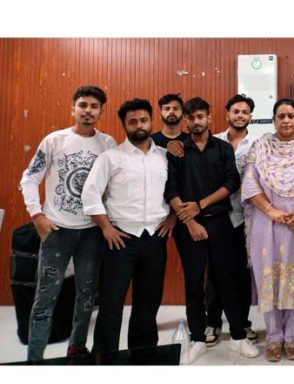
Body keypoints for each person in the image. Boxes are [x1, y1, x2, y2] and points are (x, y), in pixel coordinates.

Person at [19, 85, 116, 361]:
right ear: (73, 108)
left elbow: (112, 186)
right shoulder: (54, 141)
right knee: (45, 299)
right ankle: (34, 357)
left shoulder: (107, 144)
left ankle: (77, 349)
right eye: (83, 105)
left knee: (86, 297)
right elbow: (29, 179)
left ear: (101, 111)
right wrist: (37, 216)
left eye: (94, 106)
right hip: (57, 231)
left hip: (92, 232)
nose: (88, 110)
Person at [165, 97, 259, 363]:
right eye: (191, 117)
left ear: (209, 118)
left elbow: (232, 182)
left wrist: (200, 205)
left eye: (201, 116)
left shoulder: (222, 148)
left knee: (227, 279)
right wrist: (190, 219)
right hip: (188, 226)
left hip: (220, 221)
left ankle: (238, 338)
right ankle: (197, 339)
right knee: (194, 283)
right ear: (186, 120)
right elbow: (170, 189)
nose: (197, 121)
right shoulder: (177, 150)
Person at [82, 98, 176, 354]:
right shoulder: (110, 157)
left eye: (143, 120)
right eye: (132, 121)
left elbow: (176, 192)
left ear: (151, 121)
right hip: (120, 239)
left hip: (155, 238)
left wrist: (172, 218)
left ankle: (143, 355)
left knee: (148, 302)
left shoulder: (165, 157)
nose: (139, 125)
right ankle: (104, 357)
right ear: (124, 124)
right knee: (112, 303)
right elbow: (90, 195)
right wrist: (106, 228)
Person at [241, 98, 294, 362]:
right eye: (281, 116)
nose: (286, 120)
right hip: (266, 223)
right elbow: (250, 184)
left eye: (291, 116)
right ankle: (273, 335)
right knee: (269, 276)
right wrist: (271, 211)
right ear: (274, 120)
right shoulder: (260, 146)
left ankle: (292, 335)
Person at [203, 94, 262, 346]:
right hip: (215, 215)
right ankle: (212, 323)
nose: (240, 115)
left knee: (240, 273)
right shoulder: (212, 141)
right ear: (227, 114)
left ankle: (242, 322)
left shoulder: (258, 144)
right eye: (236, 111)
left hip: (246, 217)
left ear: (251, 116)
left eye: (245, 112)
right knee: (214, 272)